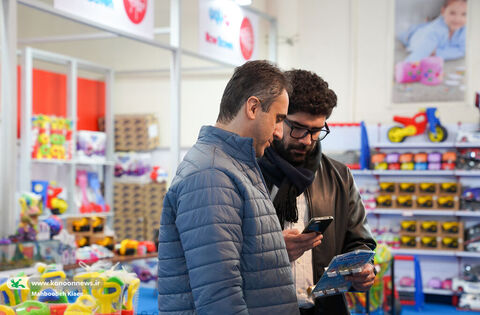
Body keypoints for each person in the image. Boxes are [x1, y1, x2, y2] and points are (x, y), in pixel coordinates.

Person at [157, 60, 299, 315]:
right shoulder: (211, 174)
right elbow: (219, 294)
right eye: (278, 119)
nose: (279, 133)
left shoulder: (234, 165)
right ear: (253, 107)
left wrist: (272, 246)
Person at [259, 69, 377, 315]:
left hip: (325, 309)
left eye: (316, 130)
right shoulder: (248, 171)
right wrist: (272, 250)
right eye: (298, 128)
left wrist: (363, 270)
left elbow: (359, 240)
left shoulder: (339, 176)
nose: (307, 140)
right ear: (278, 117)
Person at [399, 0, 467, 62]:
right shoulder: (435, 31)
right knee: (413, 36)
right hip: (415, 37)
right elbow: (420, 53)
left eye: (464, 14)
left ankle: (427, 23)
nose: (457, 19)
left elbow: (463, 50)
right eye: (452, 13)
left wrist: (437, 52)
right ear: (443, 11)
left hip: (433, 37)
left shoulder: (464, 29)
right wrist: (406, 66)